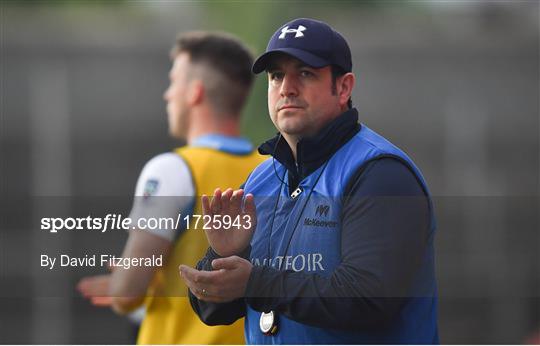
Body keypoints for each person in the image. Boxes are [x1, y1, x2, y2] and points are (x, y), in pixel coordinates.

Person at [179, 18, 439, 344]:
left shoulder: (381, 174)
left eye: (305, 73)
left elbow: (369, 299)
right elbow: (214, 312)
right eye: (276, 76)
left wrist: (255, 282)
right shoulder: (261, 178)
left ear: (343, 87)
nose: (286, 87)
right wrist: (223, 256)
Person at [77, 31, 265, 344]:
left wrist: (125, 278)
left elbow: (127, 294)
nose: (167, 94)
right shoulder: (270, 171)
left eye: (174, 81)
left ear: (195, 92)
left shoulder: (170, 171)